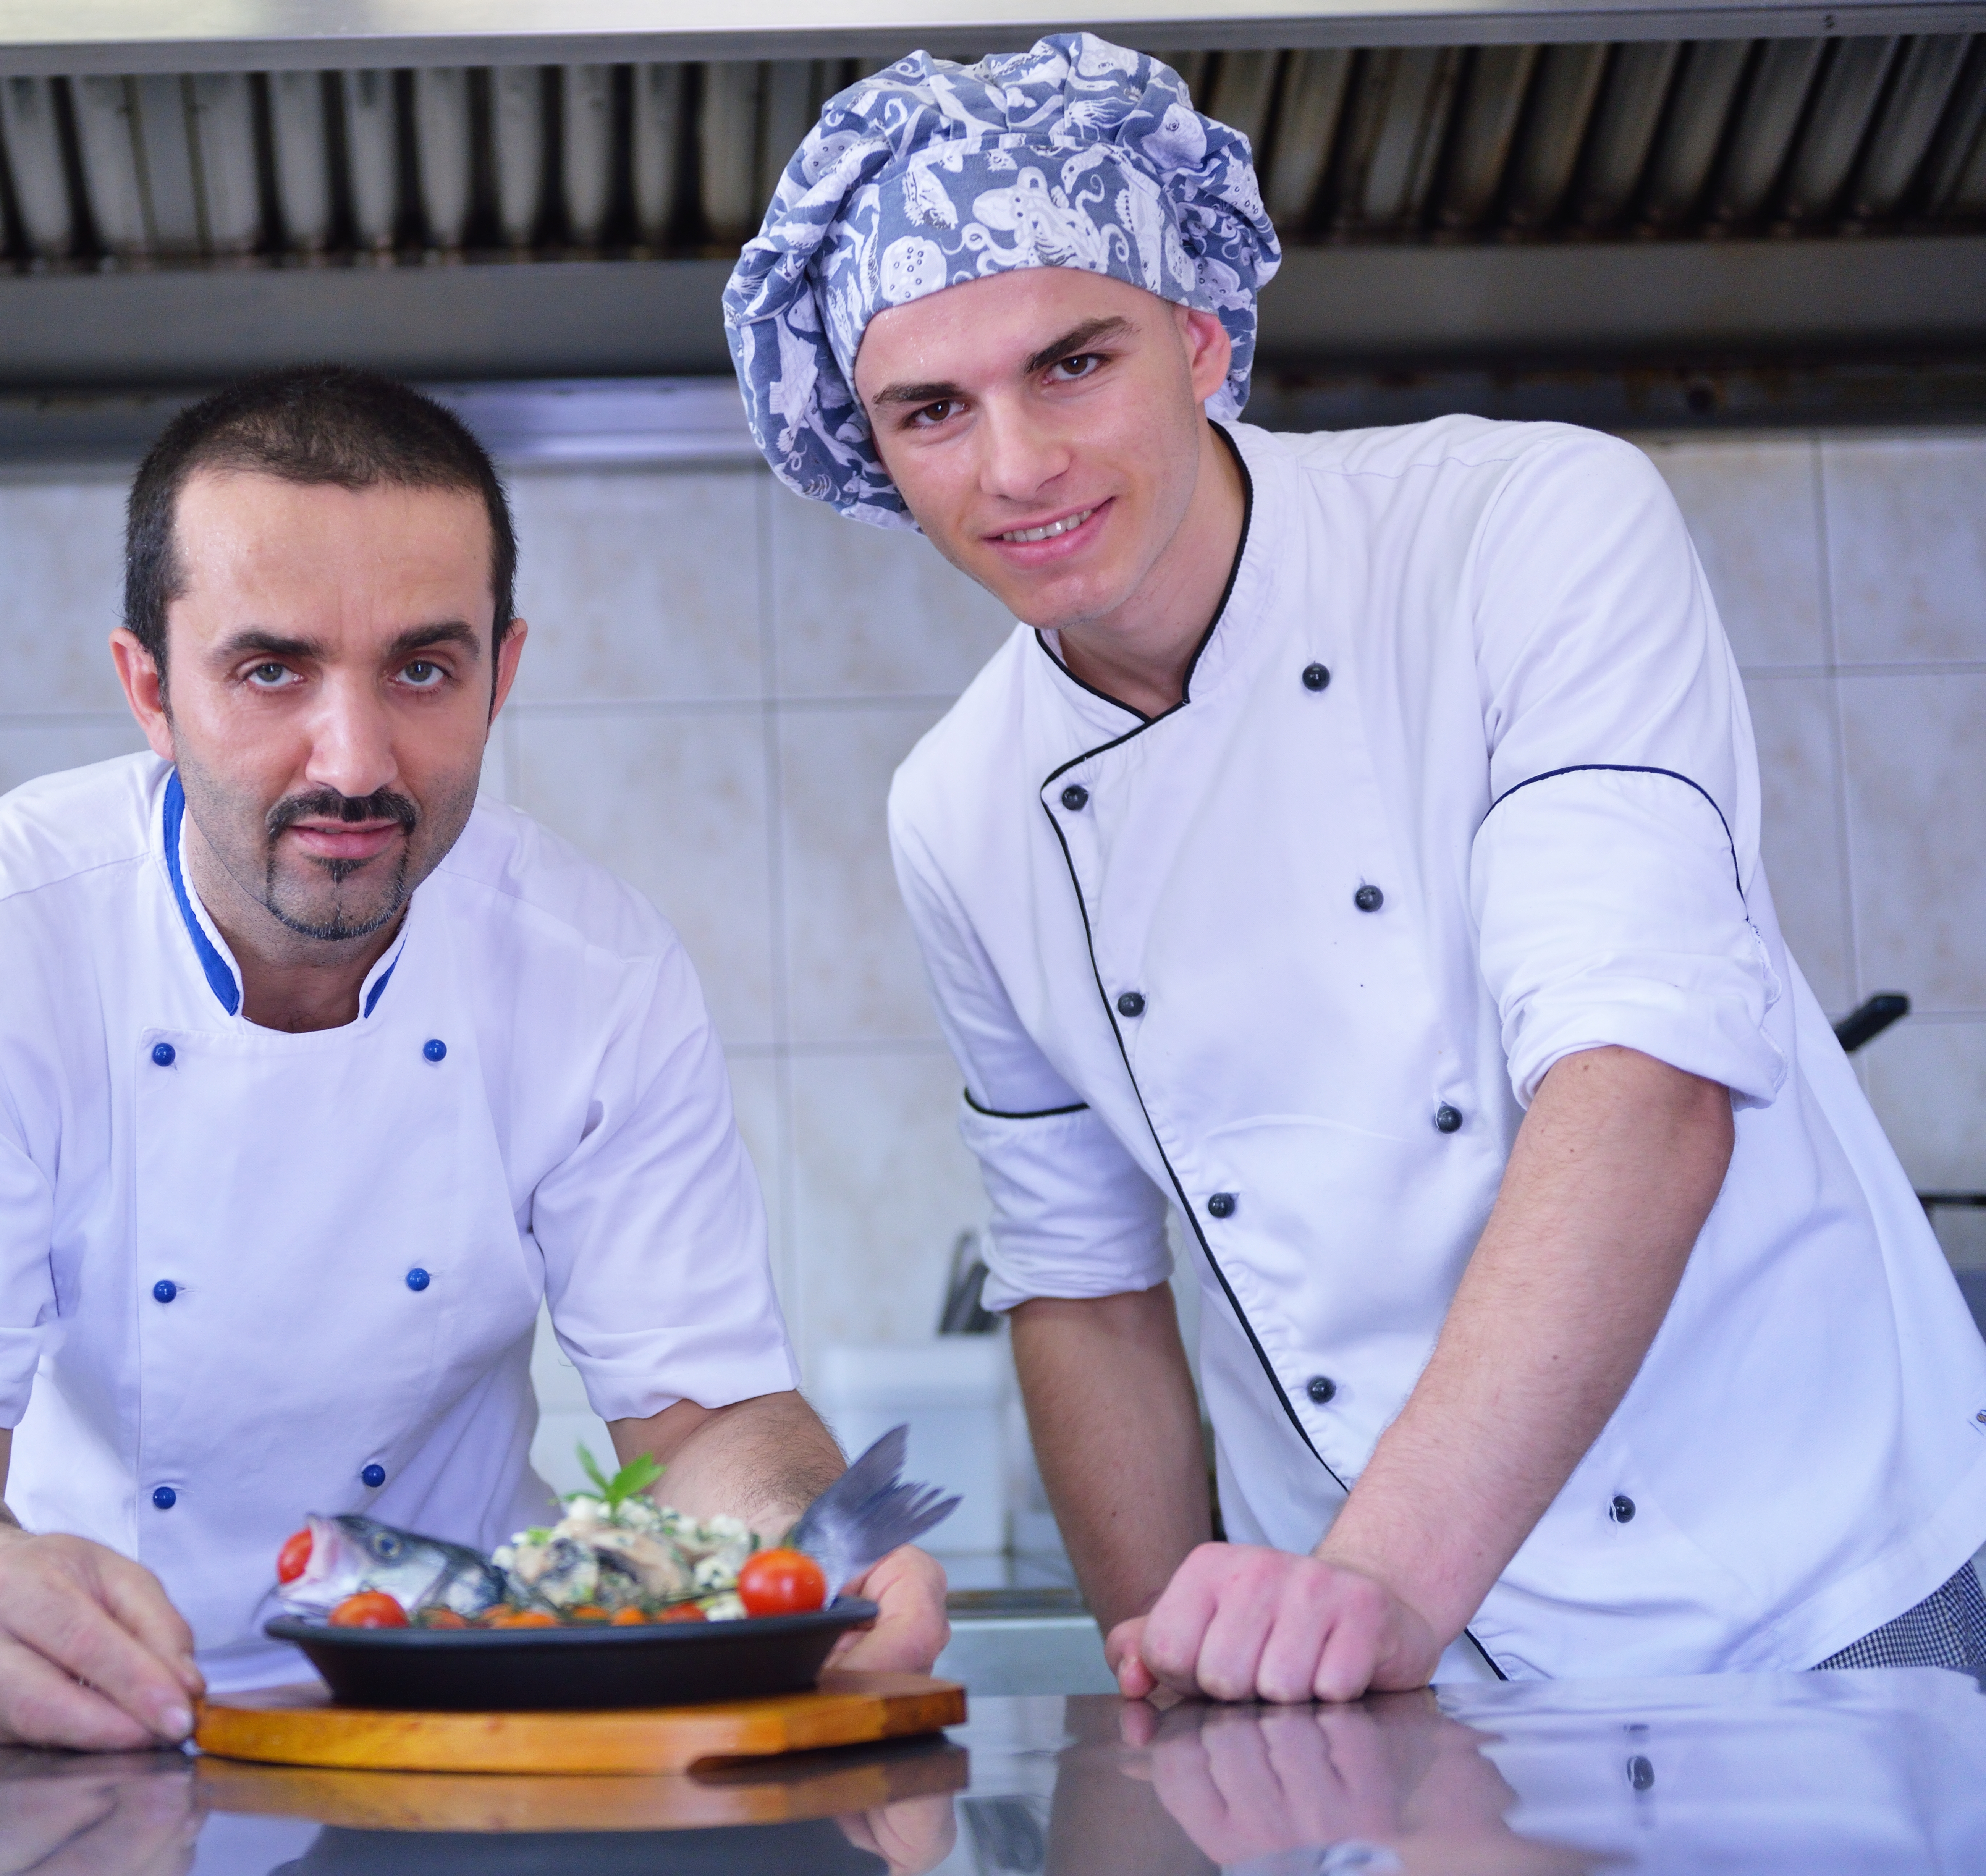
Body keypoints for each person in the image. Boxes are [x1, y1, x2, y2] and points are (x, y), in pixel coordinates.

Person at [724, 36, 1986, 1703]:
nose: (1014, 465)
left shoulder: (1523, 527)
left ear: (1196, 333)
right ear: (870, 449)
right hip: (1402, 1682)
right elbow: (1082, 1288)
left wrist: (1376, 1580)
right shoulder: (961, 807)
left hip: (1818, 1579)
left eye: (1073, 361)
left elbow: (1642, 1078)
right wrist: (1190, 1680)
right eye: (931, 410)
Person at [0, 366, 946, 1750]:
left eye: (422, 668)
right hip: (56, 1724)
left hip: (447, 1721)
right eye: (271, 670)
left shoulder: (596, 976)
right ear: (148, 690)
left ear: (502, 675)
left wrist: (806, 1558)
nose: (355, 759)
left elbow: (704, 1423)